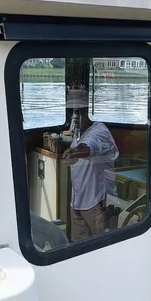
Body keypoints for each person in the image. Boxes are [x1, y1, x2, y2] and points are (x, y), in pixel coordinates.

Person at [60, 88, 119, 242]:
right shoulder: (79, 134)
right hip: (77, 202)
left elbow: (89, 147)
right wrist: (71, 154)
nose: (74, 117)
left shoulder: (100, 131)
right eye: (72, 112)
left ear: (87, 111)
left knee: (102, 245)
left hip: (97, 203)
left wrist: (74, 152)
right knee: (79, 246)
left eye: (77, 112)